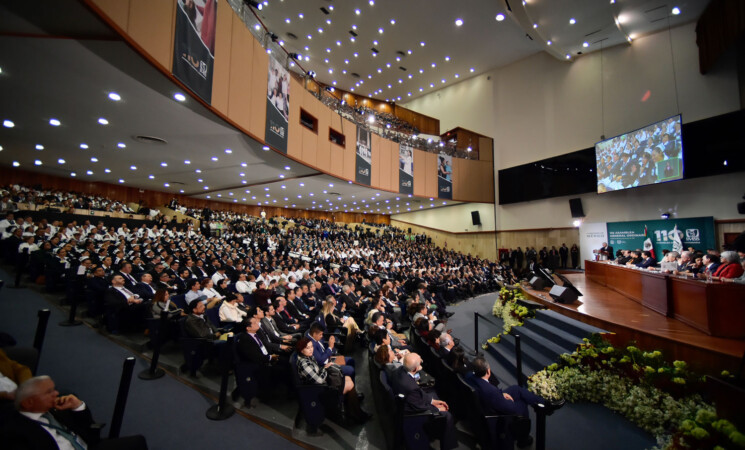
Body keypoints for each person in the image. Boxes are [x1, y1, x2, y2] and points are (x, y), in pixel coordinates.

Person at [0, 375, 147, 449]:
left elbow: (92, 434)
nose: (56, 393)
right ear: (28, 402)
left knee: (137, 442)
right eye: (49, 392)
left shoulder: (56, 408)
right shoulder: (16, 434)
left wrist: (78, 407)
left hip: (86, 446)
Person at [468, 357, 563, 448]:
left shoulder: (470, 376)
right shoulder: (491, 392)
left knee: (516, 389)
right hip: (494, 414)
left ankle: (544, 404)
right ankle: (523, 439)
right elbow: (510, 409)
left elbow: (492, 393)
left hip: (489, 400)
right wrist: (505, 398)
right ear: (488, 371)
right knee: (522, 403)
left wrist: (502, 394)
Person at [389, 353, 457, 450]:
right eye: (420, 363)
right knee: (447, 416)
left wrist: (432, 401)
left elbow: (417, 394)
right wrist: (437, 409)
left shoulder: (399, 370)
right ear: (415, 369)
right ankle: (448, 446)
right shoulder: (411, 387)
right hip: (411, 413)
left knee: (433, 394)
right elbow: (419, 407)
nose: (422, 362)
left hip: (410, 401)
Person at [295, 337, 370, 424]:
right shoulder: (304, 363)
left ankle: (353, 410)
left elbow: (318, 372)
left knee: (348, 379)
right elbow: (319, 380)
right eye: (307, 348)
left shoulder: (308, 357)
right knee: (350, 385)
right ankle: (357, 414)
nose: (311, 350)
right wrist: (325, 369)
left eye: (311, 347)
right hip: (320, 390)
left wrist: (324, 368)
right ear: (301, 350)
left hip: (324, 383)